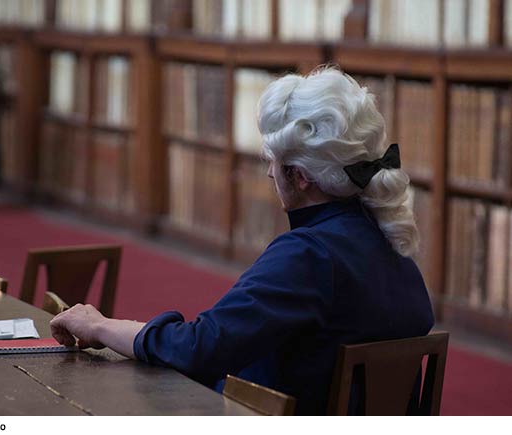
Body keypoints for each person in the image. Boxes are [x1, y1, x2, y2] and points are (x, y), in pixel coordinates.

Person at [50, 66, 434, 415]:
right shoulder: (390, 238)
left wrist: (100, 326)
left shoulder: (309, 254)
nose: (269, 173)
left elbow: (199, 348)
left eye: (272, 160)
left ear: (301, 176)